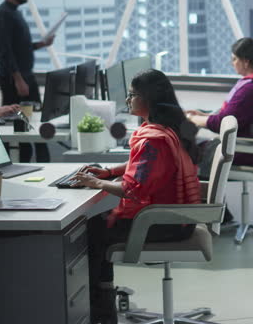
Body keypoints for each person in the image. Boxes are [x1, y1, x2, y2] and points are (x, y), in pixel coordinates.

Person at [74, 69, 201, 324]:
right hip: (178, 219)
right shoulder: (166, 128)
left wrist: (95, 182)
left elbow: (133, 189)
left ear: (148, 100)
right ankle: (102, 298)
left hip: (164, 224)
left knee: (92, 231)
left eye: (133, 95)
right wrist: (109, 172)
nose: (128, 101)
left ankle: (100, 308)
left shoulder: (153, 139)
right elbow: (143, 167)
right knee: (98, 225)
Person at [186, 37, 253, 175]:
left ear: (246, 62)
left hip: (244, 151)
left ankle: (204, 195)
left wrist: (192, 118)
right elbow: (236, 115)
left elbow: (223, 123)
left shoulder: (251, 90)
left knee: (186, 154)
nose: (232, 63)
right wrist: (204, 116)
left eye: (234, 59)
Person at [0, 0, 53, 162]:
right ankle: (20, 167)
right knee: (19, 128)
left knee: (34, 123)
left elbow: (18, 47)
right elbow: (4, 52)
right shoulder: (3, 15)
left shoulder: (14, 12)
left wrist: (40, 45)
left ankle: (41, 165)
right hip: (16, 81)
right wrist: (18, 79)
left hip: (25, 77)